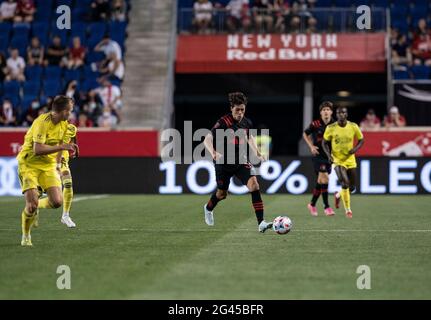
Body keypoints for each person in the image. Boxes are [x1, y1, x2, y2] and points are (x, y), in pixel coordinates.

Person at [203, 92, 273, 233]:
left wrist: (257, 152)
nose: (240, 113)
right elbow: (207, 139)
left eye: (242, 109)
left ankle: (261, 223)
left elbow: (249, 137)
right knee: (222, 194)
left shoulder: (246, 122)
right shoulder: (223, 122)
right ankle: (208, 208)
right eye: (237, 110)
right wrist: (214, 153)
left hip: (240, 161)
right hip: (223, 163)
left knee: (254, 185)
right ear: (231, 108)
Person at [17, 95, 76, 246]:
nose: (71, 113)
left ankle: (37, 208)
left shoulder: (64, 125)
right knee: (31, 205)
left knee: (57, 202)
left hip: (48, 165)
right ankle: (26, 236)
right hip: (29, 164)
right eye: (69, 111)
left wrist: (57, 164)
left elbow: (61, 145)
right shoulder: (42, 122)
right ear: (62, 111)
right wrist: (62, 147)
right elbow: (37, 149)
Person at [322, 107, 364, 219]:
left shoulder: (353, 126)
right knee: (345, 183)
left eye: (343, 112)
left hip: (350, 159)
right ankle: (348, 210)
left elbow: (361, 140)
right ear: (336, 115)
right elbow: (324, 143)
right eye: (339, 113)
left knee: (352, 188)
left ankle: (338, 194)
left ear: (346, 114)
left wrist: (355, 149)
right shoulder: (331, 128)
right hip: (337, 160)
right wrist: (328, 155)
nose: (341, 114)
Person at [303, 101, 335, 217]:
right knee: (325, 178)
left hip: (329, 156)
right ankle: (327, 207)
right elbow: (305, 134)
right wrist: (311, 146)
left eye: (328, 110)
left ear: (331, 112)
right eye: (324, 110)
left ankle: (312, 204)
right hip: (318, 156)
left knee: (321, 181)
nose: (326, 112)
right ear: (321, 113)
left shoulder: (335, 125)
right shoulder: (315, 124)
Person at [57, 123, 79, 228]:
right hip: (47, 158)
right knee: (41, 191)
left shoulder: (72, 128)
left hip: (62, 159)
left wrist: (75, 148)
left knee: (68, 183)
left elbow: (73, 138)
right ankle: (33, 210)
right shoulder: (48, 126)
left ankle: (65, 216)